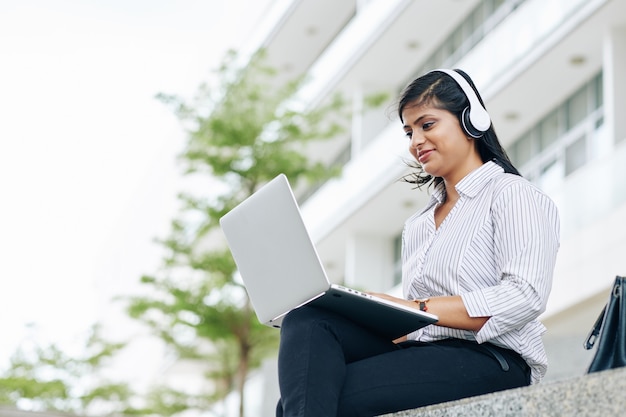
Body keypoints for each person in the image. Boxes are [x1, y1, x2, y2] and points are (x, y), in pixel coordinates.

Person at [274, 69, 560, 417]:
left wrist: (417, 308)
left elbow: (524, 296)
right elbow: (419, 330)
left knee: (315, 397)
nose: (415, 142)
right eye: (409, 132)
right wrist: (371, 311)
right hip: (425, 353)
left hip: (492, 359)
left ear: (471, 121)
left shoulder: (513, 195)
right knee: (308, 320)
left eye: (427, 124)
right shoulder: (419, 224)